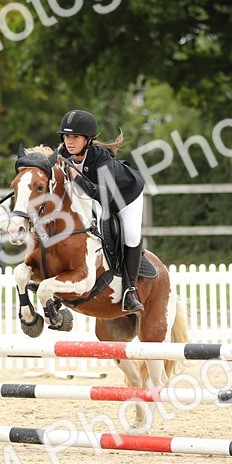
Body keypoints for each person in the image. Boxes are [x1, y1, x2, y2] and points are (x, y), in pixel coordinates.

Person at [56, 109, 146, 312]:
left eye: (75, 137)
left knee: (131, 235)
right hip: (94, 198)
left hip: (124, 197)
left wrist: (76, 177)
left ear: (88, 139)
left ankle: (129, 291)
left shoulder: (101, 158)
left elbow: (108, 197)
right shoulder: (62, 154)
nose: (69, 141)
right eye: (66, 136)